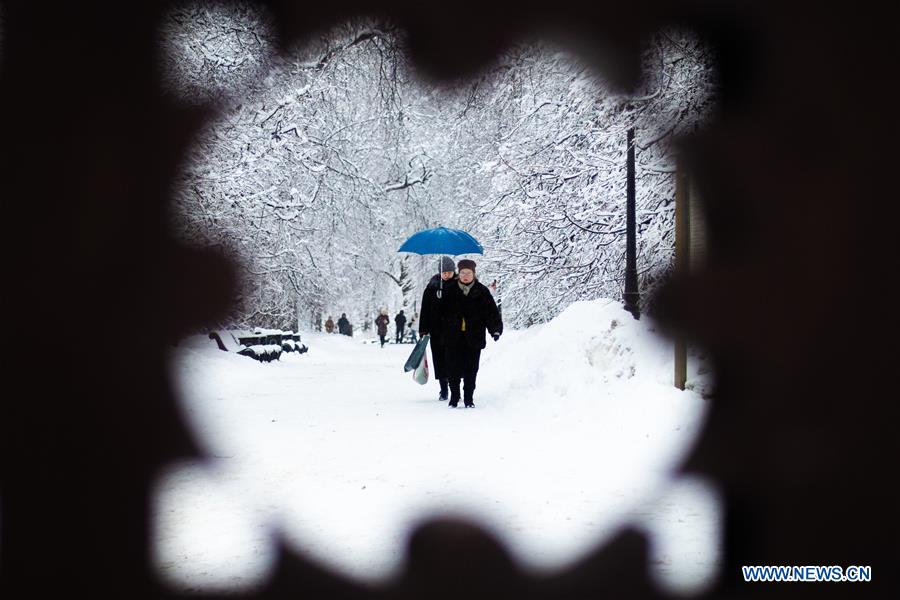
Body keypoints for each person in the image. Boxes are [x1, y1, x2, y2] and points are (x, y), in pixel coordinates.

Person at [441, 259, 502, 408]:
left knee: (471, 369)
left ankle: (469, 398)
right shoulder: (449, 290)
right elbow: (439, 314)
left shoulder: (481, 291)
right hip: (453, 336)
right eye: (462, 273)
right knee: (452, 368)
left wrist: (495, 329)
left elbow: (491, 312)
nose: (465, 276)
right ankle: (454, 397)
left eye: (468, 273)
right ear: (458, 274)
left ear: (474, 274)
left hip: (473, 336)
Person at [418, 256, 457, 401]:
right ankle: (443, 389)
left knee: (454, 360)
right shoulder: (432, 286)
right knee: (440, 360)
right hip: (437, 330)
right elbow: (425, 309)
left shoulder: (459, 284)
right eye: (444, 272)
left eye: (449, 272)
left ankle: (455, 389)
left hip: (455, 330)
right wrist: (423, 328)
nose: (447, 275)